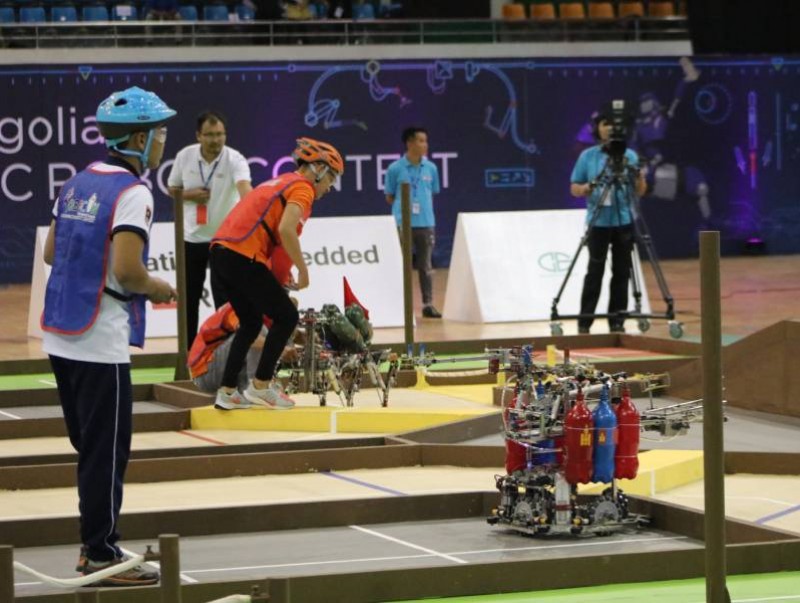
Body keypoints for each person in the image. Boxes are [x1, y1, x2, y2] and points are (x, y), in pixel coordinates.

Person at [41, 87, 177, 586]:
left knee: (91, 448)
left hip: (61, 333)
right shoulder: (133, 192)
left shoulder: (77, 182)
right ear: (138, 139)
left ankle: (95, 545)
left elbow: (51, 252)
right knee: (106, 452)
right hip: (100, 339)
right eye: (159, 132)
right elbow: (127, 270)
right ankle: (99, 553)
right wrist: (158, 287)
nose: (163, 139)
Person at [209, 137, 344, 410]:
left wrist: (281, 274)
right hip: (243, 255)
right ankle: (261, 386)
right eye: (332, 177)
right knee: (287, 316)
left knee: (250, 323)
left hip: (221, 253)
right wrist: (303, 270)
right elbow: (286, 230)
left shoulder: (279, 181)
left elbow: (274, 237)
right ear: (318, 169)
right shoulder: (303, 188)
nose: (330, 187)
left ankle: (227, 391)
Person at [168, 111, 252, 347]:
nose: (216, 140)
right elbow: (172, 189)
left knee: (224, 301)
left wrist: (254, 205)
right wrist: (190, 195)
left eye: (220, 134)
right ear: (199, 136)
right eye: (210, 135)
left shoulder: (235, 159)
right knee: (188, 299)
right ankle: (189, 354)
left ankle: (225, 351)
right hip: (191, 239)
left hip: (224, 241)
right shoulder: (185, 156)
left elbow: (245, 188)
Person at [570, 108, 647, 334]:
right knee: (595, 271)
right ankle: (585, 322)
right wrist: (586, 188)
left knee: (622, 272)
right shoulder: (588, 156)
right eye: (605, 124)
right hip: (598, 222)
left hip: (624, 220)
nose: (610, 128)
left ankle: (617, 320)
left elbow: (640, 191)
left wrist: (639, 177)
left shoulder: (630, 156)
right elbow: (574, 187)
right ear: (598, 128)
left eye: (614, 124)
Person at [385, 126, 442, 318]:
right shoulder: (395, 168)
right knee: (401, 265)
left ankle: (428, 304)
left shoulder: (431, 168)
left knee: (425, 266)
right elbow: (390, 196)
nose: (425, 145)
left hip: (426, 223)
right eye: (421, 141)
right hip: (403, 223)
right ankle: (399, 304)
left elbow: (432, 192)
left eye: (426, 141)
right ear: (409, 143)